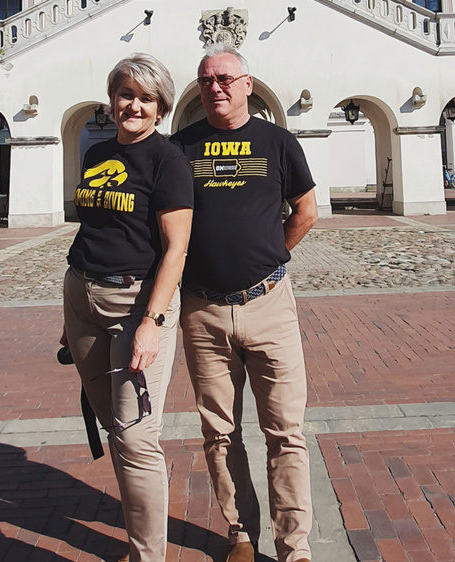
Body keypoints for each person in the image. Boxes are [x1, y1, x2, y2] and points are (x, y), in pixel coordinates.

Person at [169, 43, 318, 562]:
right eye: (207, 80)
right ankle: (240, 533)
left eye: (226, 78)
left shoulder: (278, 142)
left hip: (269, 304)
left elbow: (305, 210)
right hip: (203, 311)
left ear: (247, 84)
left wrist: (270, 255)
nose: (216, 87)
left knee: (285, 433)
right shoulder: (180, 146)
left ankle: (294, 546)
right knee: (220, 432)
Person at [62, 53, 193, 562]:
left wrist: (152, 322)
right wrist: (70, 313)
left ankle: (148, 555)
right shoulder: (96, 153)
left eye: (145, 98)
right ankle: (144, 512)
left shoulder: (168, 161)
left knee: (137, 438)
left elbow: (176, 248)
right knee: (117, 429)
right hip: (82, 297)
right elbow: (91, 229)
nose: (133, 105)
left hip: (134, 302)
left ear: (160, 108)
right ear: (112, 97)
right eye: (125, 94)